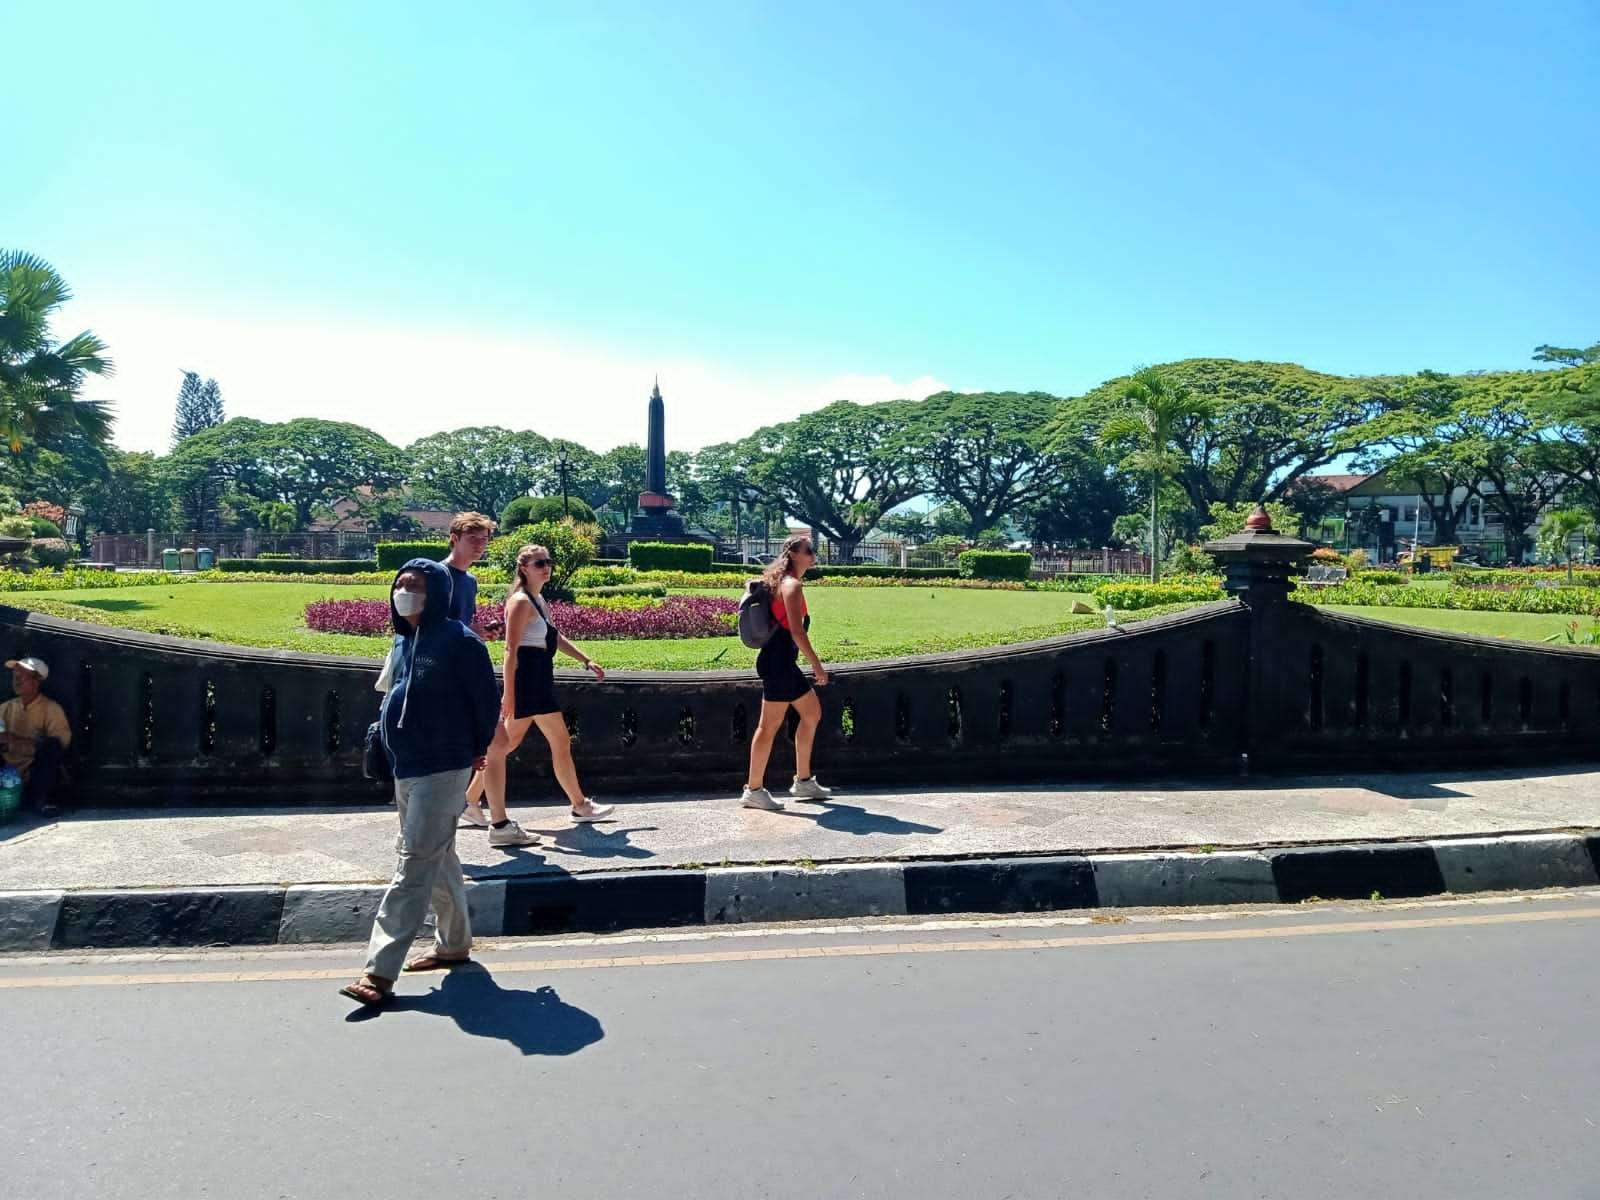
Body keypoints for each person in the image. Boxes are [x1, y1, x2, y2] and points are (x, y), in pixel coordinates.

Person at [340, 559, 500, 1009]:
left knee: (413, 864)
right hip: (405, 766)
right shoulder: (404, 640)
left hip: (443, 767)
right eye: (401, 584)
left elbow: (486, 704)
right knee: (438, 855)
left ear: (437, 595)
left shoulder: (460, 642)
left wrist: (475, 749)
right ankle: (454, 945)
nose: (405, 591)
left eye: (416, 586)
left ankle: (379, 972)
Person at [464, 543, 614, 841]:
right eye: (538, 563)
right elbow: (510, 650)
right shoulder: (520, 601)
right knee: (511, 745)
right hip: (527, 680)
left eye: (548, 561)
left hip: (539, 679)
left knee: (531, 743)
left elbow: (553, 637)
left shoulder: (538, 600)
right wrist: (509, 693)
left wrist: (585, 660)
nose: (546, 567)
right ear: (524, 568)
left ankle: (469, 800)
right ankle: (579, 805)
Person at [740, 535, 832, 811]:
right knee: (768, 726)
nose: (813, 554)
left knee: (811, 713)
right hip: (779, 663)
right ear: (794, 554)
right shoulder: (791, 585)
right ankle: (754, 790)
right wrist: (816, 665)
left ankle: (803, 780)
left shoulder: (780, 582)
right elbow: (796, 630)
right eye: (809, 550)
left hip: (779, 662)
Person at [0, 657, 71, 817]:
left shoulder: (52, 709)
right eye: (14, 677)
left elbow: (60, 745)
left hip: (36, 775)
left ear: (36, 681)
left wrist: (16, 739)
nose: (16, 681)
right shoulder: (5, 708)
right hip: (6, 772)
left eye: (21, 677)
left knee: (51, 746)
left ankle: (43, 801)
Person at [440, 511, 495, 635]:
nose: (480, 545)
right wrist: (469, 630)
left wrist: (481, 631)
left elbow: (462, 622)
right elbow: (427, 624)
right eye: (472, 538)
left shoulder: (471, 581)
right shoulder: (437, 575)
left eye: (484, 539)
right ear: (455, 538)